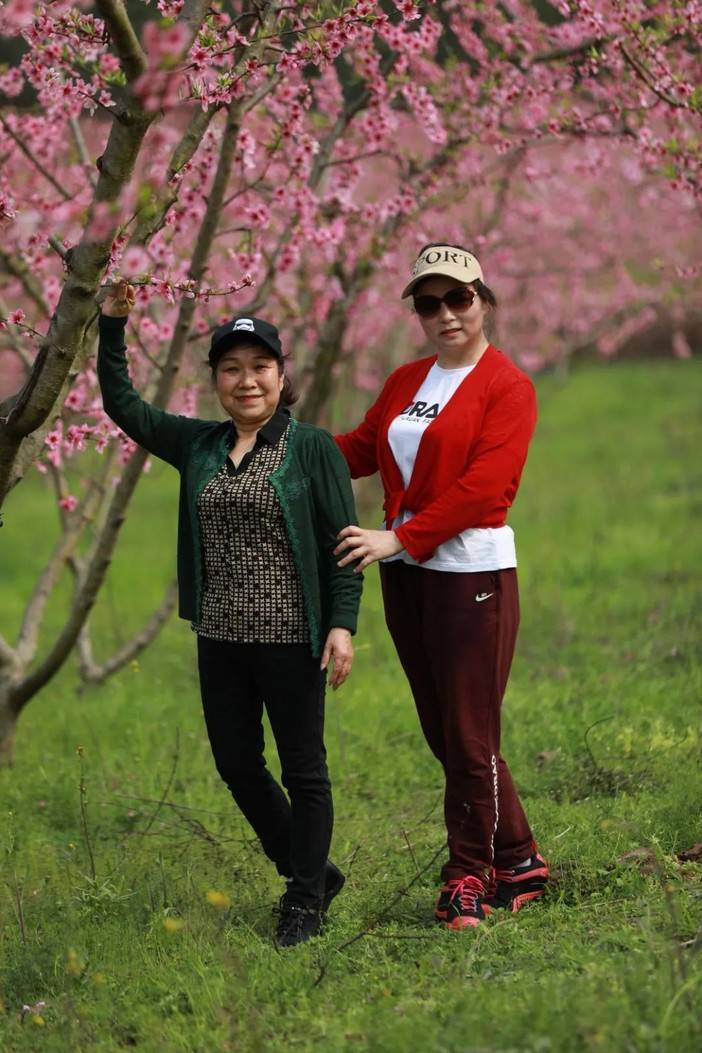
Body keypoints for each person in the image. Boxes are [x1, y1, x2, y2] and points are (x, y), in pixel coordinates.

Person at [97, 281, 362, 948]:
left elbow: (343, 546)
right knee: (238, 764)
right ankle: (313, 869)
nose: (247, 381)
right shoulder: (198, 444)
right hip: (219, 637)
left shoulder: (311, 448)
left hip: (291, 637)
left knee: (304, 770)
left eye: (260, 367)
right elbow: (123, 405)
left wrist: (342, 624)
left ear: (281, 374)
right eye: (232, 368)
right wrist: (112, 325)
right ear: (215, 378)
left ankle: (304, 899)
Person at [334, 243, 548, 930]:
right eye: (429, 303)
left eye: (459, 298)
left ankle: (468, 876)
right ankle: (520, 859)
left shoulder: (507, 386)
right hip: (407, 577)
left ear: (484, 300)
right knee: (447, 732)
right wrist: (281, 440)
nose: (445, 313)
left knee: (468, 734)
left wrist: (398, 538)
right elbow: (360, 449)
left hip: (470, 574)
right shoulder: (406, 380)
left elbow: (486, 487)